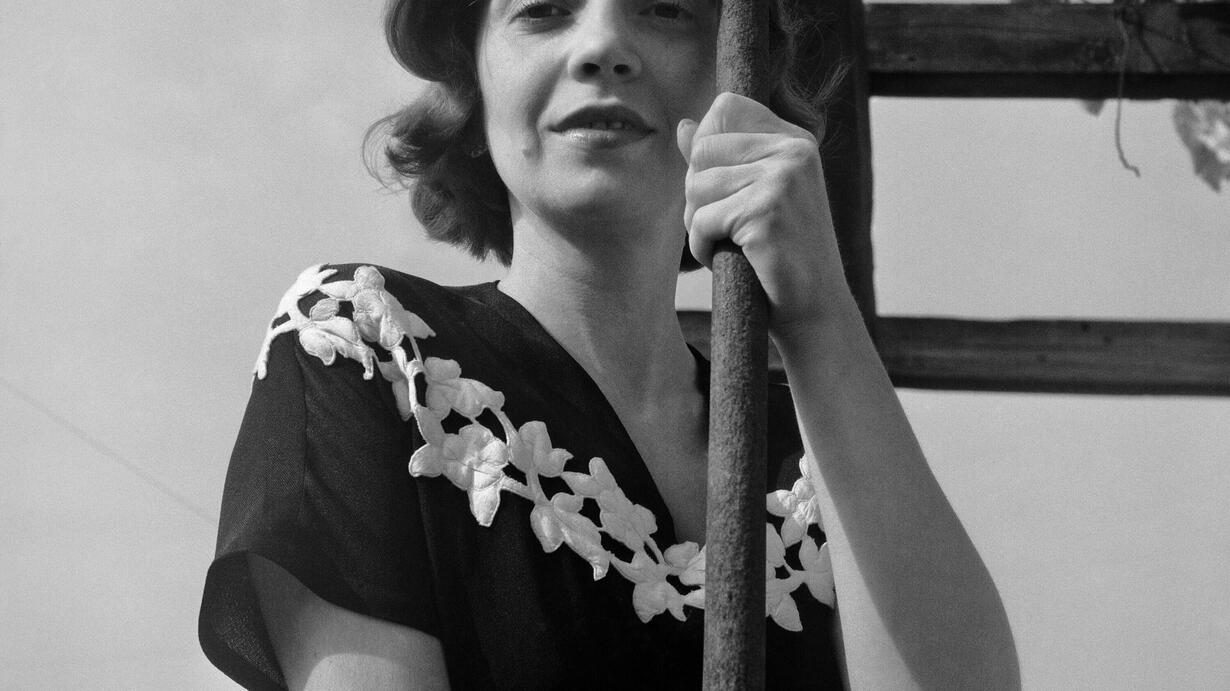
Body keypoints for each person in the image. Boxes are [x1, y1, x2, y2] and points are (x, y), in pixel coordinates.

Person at [199, 0, 1021, 688]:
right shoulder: (367, 347)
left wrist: (818, 315)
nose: (602, 46)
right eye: (543, 11)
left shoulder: (820, 454)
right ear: (474, 88)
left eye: (664, 8)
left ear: (740, 86)